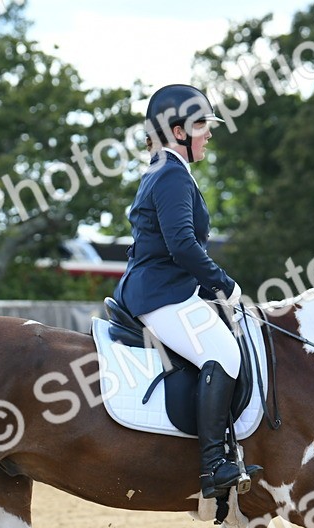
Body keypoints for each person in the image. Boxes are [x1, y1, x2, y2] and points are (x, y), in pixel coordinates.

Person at [112, 84, 261, 499]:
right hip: (162, 295)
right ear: (178, 131)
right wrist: (223, 283)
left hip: (164, 288)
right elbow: (182, 245)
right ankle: (213, 464)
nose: (208, 133)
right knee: (224, 353)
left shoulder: (165, 170)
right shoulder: (172, 175)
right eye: (201, 126)